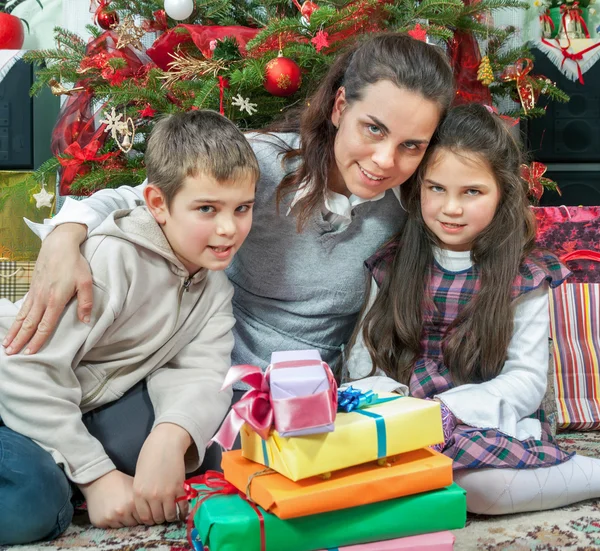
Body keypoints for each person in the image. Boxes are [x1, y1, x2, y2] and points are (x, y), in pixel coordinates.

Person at [3, 33, 454, 374]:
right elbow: (146, 197)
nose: (385, 160)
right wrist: (63, 238)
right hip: (213, 374)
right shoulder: (259, 162)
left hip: (322, 395)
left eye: (411, 146)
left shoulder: (412, 205)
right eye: (373, 129)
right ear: (339, 108)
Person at [0, 109, 259, 544]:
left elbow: (203, 371)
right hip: (14, 392)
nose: (228, 228)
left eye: (242, 208)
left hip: (80, 399)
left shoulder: (213, 284)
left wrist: (170, 438)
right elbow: (24, 369)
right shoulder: (109, 260)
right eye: (207, 209)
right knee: (37, 500)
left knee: (214, 450)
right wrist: (96, 477)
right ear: (158, 204)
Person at [344, 103, 600, 515]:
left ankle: (590, 474)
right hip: (404, 419)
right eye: (436, 188)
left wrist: (449, 411)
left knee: (484, 488)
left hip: (486, 416)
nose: (451, 208)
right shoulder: (392, 263)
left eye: (472, 192)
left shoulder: (523, 274)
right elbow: (364, 357)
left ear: (502, 192)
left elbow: (526, 381)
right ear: (418, 187)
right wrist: (387, 413)